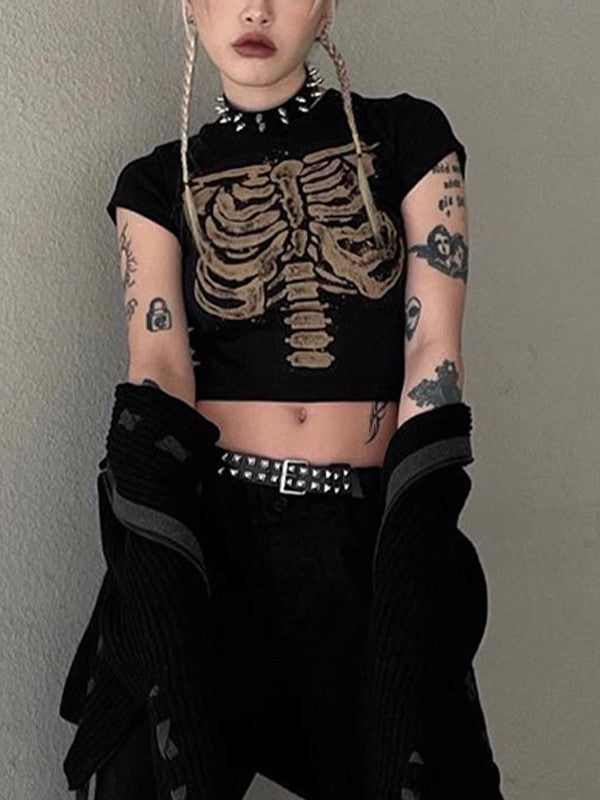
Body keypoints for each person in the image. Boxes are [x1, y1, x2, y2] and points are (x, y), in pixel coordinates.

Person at [58, 1, 505, 798]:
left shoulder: (409, 138)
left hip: (367, 535)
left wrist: (412, 545)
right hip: (216, 537)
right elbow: (158, 371)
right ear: (190, 4)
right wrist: (158, 569)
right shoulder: (154, 185)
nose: (256, 8)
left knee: (422, 762)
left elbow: (434, 354)